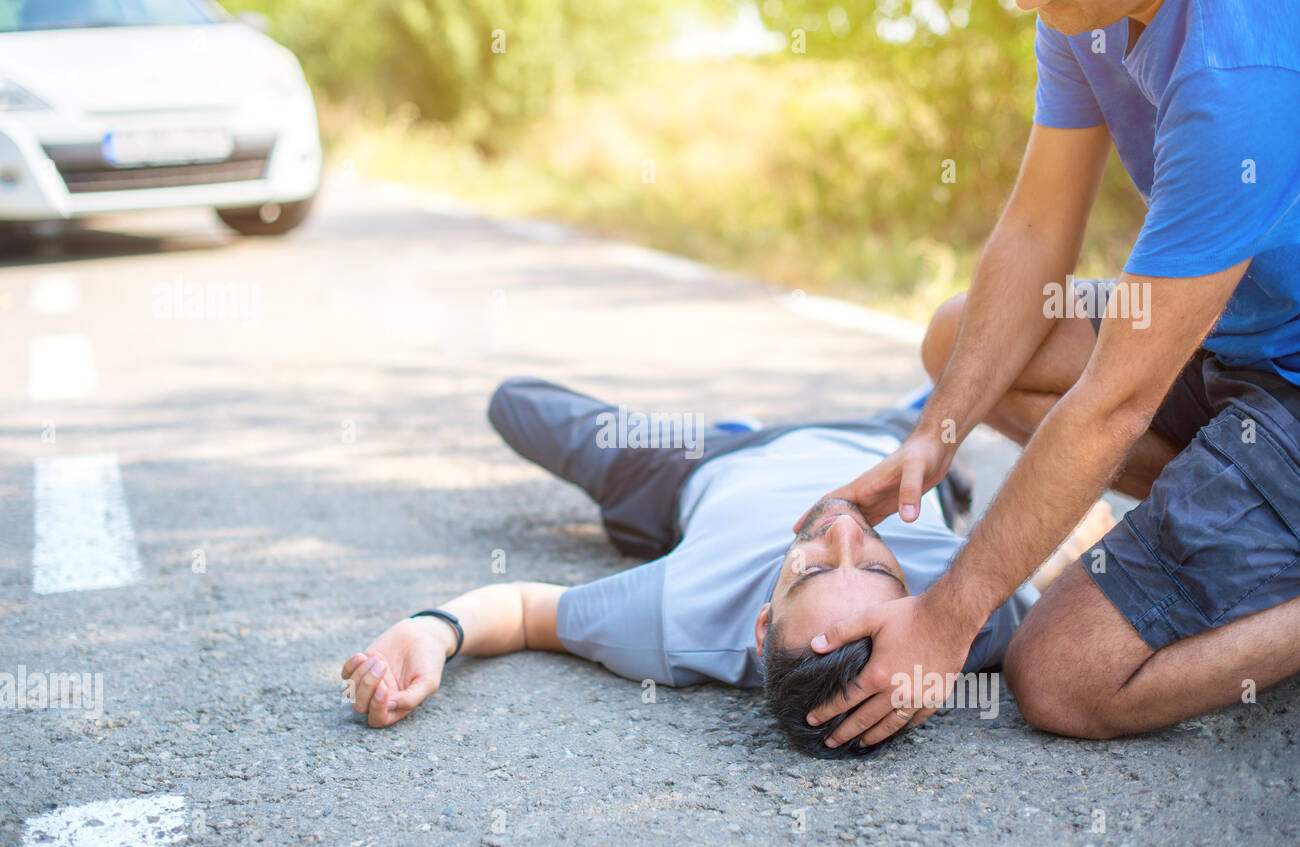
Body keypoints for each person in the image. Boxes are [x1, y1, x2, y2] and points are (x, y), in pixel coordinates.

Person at [799, 0, 1300, 747]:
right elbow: (1036, 230)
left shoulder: (1243, 72)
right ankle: (1241, 520)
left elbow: (1114, 406)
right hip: (1234, 329)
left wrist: (948, 615)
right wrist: (934, 439)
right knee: (955, 342)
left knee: (1062, 672)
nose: (1020, 1)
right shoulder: (1079, 14)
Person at [341, 377, 1104, 756]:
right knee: (991, 356)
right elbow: (1061, 580)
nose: (841, 530)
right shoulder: (966, 615)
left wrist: (432, 630)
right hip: (892, 445)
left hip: (697, 462)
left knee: (517, 403)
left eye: (808, 569)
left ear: (763, 620)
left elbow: (523, 610)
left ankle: (729, 425)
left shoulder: (676, 617)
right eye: (881, 570)